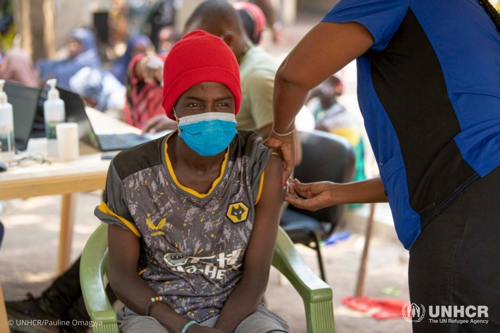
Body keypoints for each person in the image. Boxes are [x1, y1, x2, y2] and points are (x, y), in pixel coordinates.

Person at [266, 1, 500, 332]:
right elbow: (449, 163)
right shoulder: (471, 15)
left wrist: (281, 132)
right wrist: (337, 193)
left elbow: (293, 75)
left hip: (465, 221)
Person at [95, 29, 288, 333]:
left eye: (223, 104)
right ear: (173, 107)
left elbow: (255, 279)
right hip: (155, 315)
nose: (211, 114)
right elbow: (121, 277)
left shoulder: (259, 166)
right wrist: (185, 328)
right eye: (195, 104)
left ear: (236, 105)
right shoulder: (132, 172)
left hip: (240, 313)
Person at [307, 74, 366, 183]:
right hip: (329, 160)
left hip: (343, 170)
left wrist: (312, 94)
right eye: (322, 81)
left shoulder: (341, 116)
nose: (322, 86)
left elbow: (307, 129)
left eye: (328, 83)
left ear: (336, 89)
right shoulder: (317, 108)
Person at [36, 28, 101, 89]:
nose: (71, 48)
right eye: (70, 43)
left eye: (75, 44)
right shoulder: (73, 59)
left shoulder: (89, 62)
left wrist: (49, 79)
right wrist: (41, 65)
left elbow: (62, 75)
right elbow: (52, 64)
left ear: (84, 45)